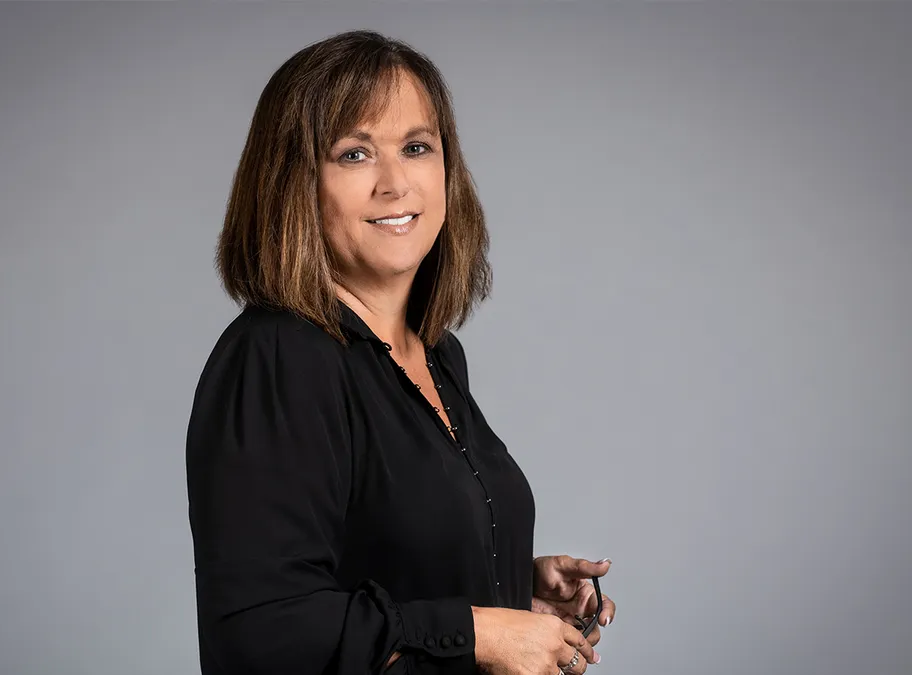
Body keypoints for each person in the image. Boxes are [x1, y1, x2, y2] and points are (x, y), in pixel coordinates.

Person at [185, 30, 617, 675]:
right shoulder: (279, 357)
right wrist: (476, 631)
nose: (395, 184)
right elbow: (262, 630)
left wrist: (503, 591)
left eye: (416, 148)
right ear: (294, 184)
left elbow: (378, 561)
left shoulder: (438, 355)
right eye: (354, 154)